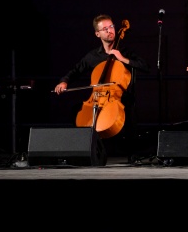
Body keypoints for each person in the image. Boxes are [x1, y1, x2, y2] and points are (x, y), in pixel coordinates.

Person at [54, 14, 150, 164]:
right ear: (98, 34)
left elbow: (145, 66)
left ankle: (133, 156)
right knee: (76, 112)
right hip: (98, 98)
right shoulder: (93, 56)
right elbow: (76, 70)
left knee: (129, 110)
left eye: (111, 27)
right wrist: (64, 81)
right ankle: (85, 152)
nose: (110, 31)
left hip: (122, 99)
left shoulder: (124, 52)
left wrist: (122, 59)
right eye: (105, 29)